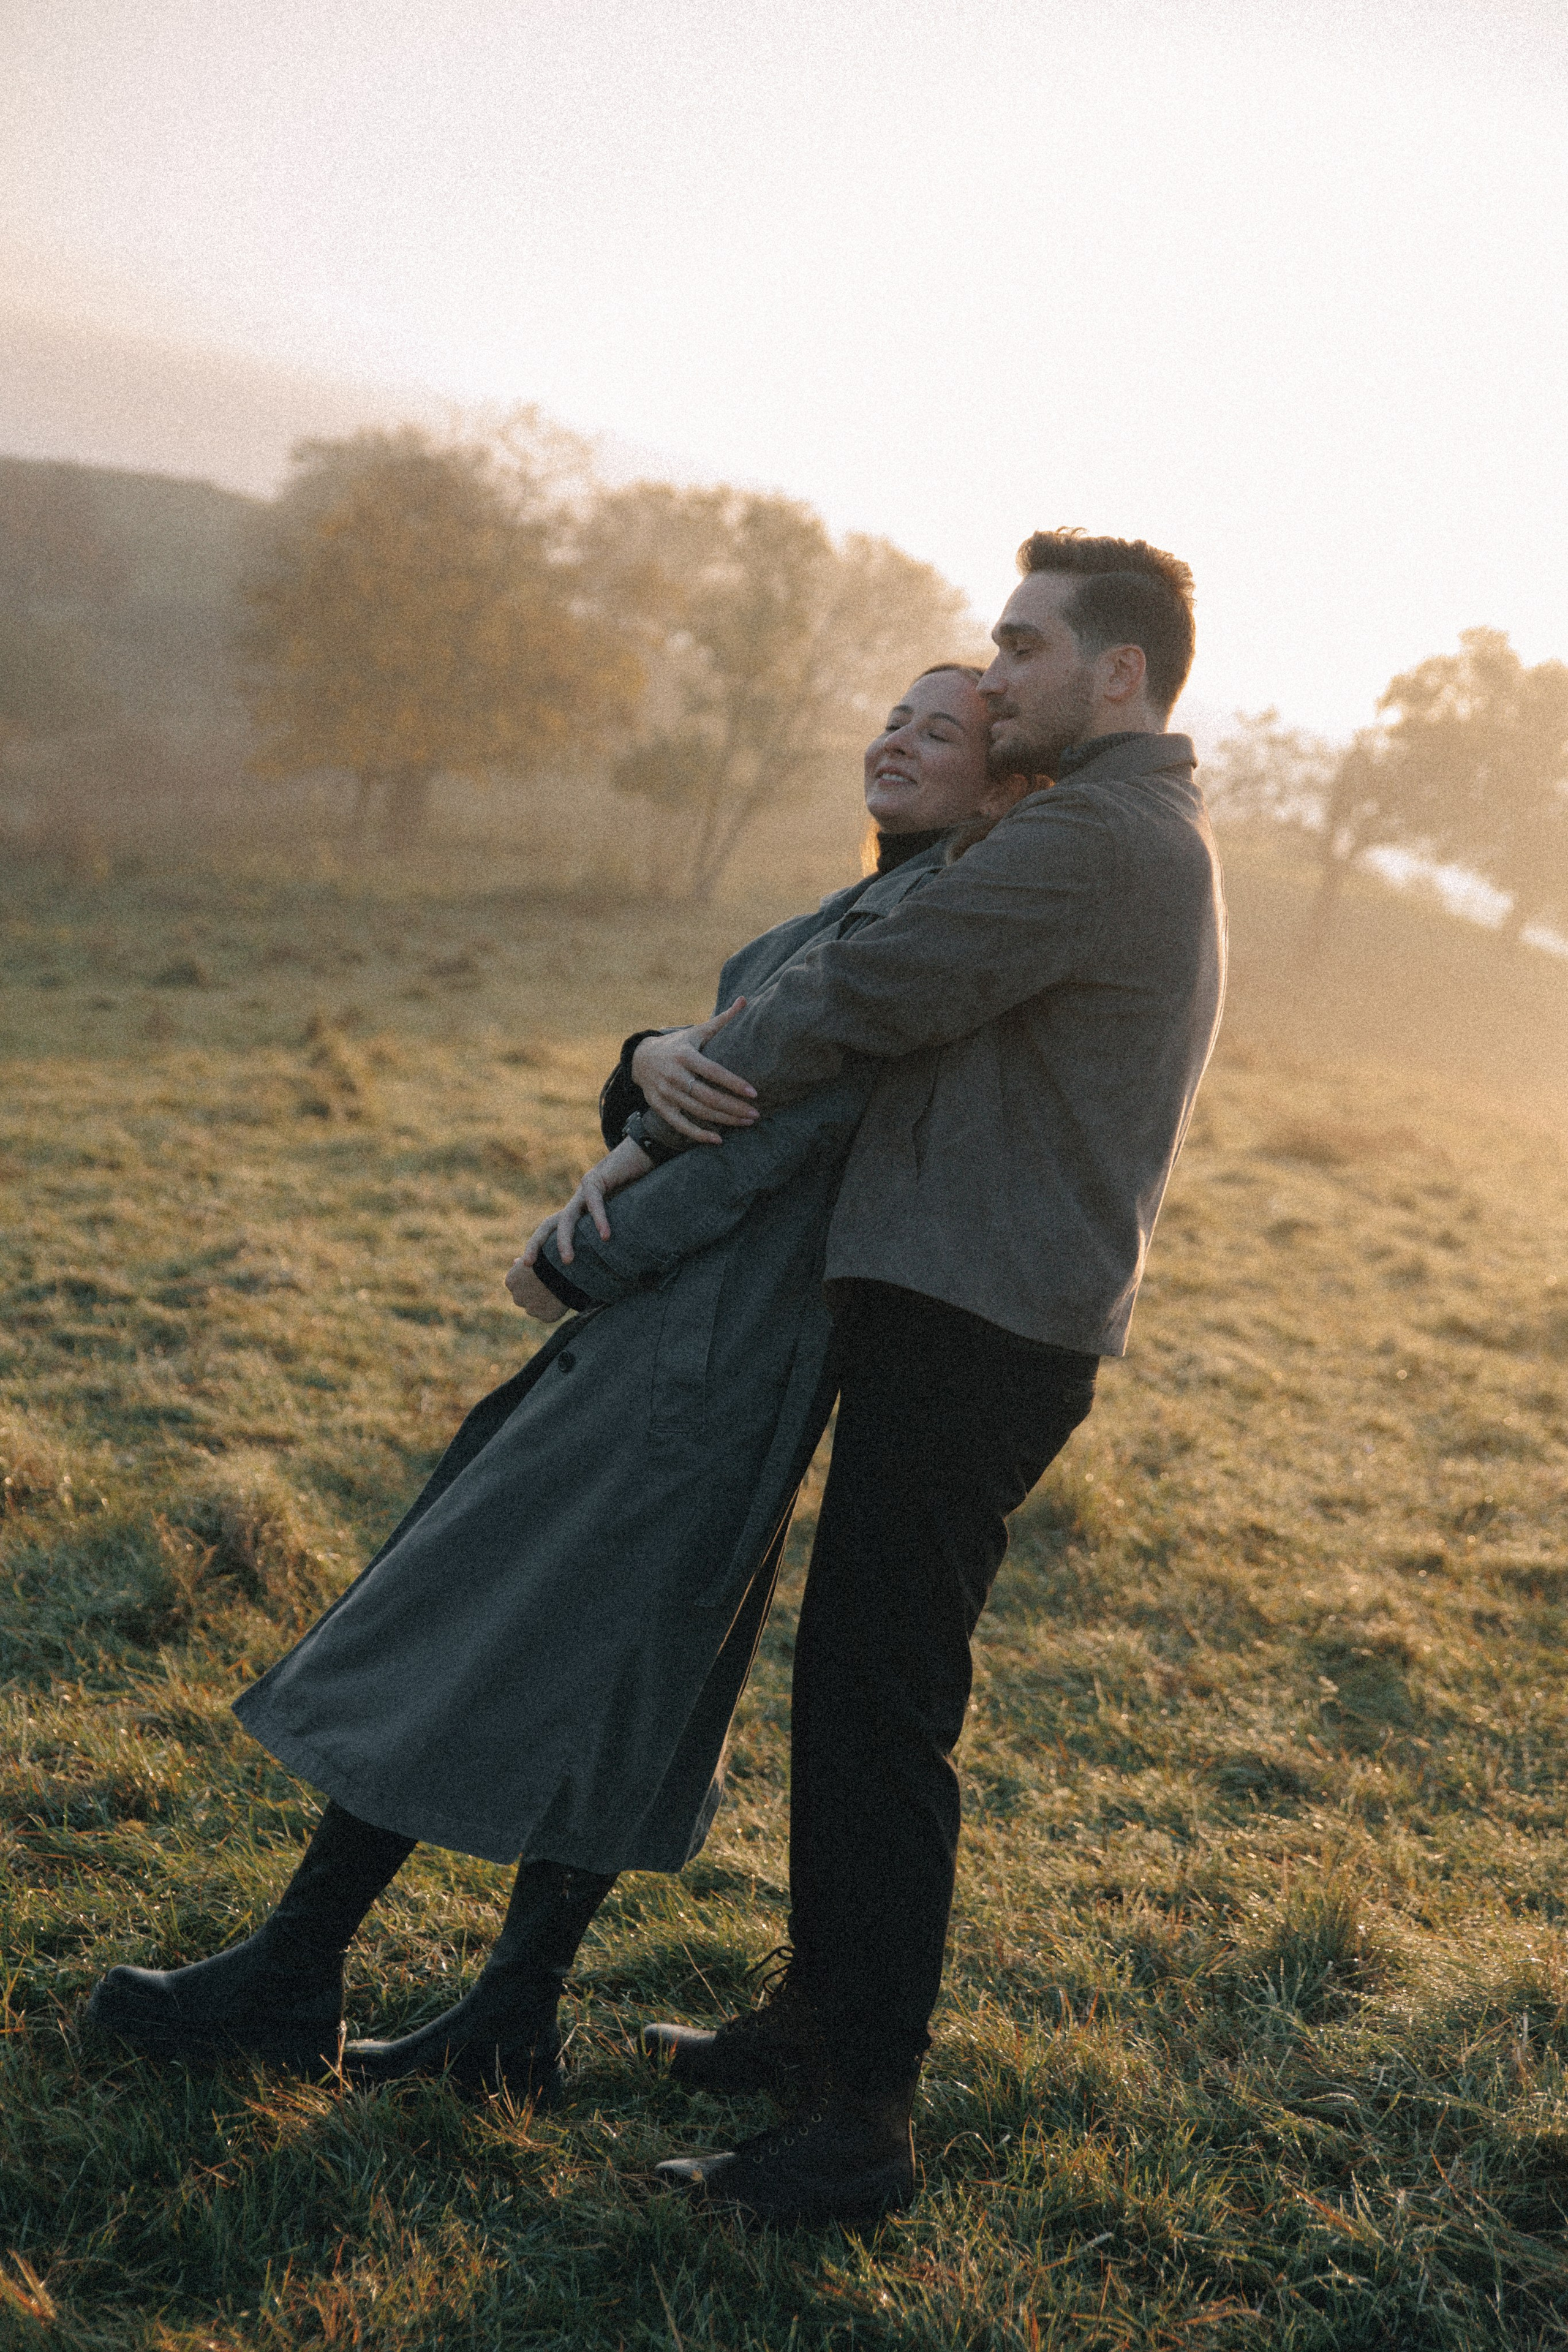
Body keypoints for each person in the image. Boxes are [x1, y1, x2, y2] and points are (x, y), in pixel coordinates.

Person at [83, 665, 1029, 2104]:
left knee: (477, 1614)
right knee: (610, 1661)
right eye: (894, 714)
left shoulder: (920, 925)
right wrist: (644, 1064)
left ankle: (304, 1975)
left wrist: (579, 1254)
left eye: (942, 731)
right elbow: (710, 1086)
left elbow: (774, 1140)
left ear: (1001, 785)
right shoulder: (879, 903)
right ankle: (498, 2016)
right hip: (716, 1342)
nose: (898, 739)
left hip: (701, 1337)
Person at [540, 529, 1227, 2224]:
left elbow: (882, 980)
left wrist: (671, 1087)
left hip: (987, 1325)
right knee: (855, 1684)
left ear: (1117, 676)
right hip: (970, 1303)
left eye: (1023, 647)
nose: (993, 679)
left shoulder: (1102, 831)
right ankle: (809, 2027)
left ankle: (860, 2127)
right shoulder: (1118, 825)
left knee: (880, 1702)